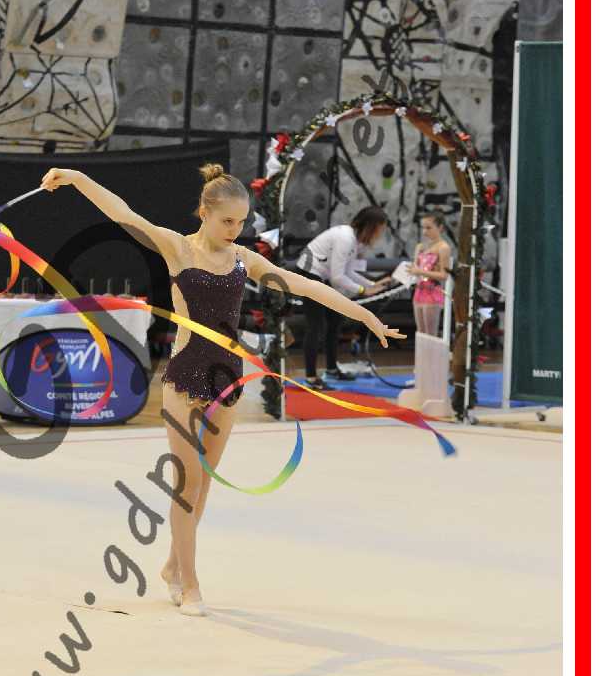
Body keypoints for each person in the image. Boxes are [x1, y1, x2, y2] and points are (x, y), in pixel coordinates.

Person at [40, 163, 404, 616]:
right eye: (227, 221)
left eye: (241, 221)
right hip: (185, 376)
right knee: (186, 484)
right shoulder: (177, 248)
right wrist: (77, 178)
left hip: (227, 379)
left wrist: (364, 315)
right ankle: (190, 584)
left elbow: (304, 285)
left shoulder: (243, 259)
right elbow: (123, 215)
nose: (235, 229)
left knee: (204, 485)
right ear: (204, 213)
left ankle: (173, 566)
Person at [293, 207, 393, 388]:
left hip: (322, 275)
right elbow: (338, 277)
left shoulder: (354, 240)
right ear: (371, 227)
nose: (379, 235)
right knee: (316, 326)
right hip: (310, 273)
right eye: (379, 230)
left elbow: (349, 271)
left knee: (334, 320)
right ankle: (311, 378)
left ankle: (332, 369)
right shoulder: (346, 238)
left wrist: (373, 285)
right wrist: (363, 290)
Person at [407, 213, 452, 336]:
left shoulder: (443, 247)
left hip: (432, 292)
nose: (424, 232)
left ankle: (434, 350)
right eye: (423, 227)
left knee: (430, 334)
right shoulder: (420, 246)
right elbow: (415, 268)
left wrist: (420, 272)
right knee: (420, 333)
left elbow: (444, 275)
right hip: (419, 291)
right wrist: (410, 271)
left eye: (428, 228)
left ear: (440, 228)